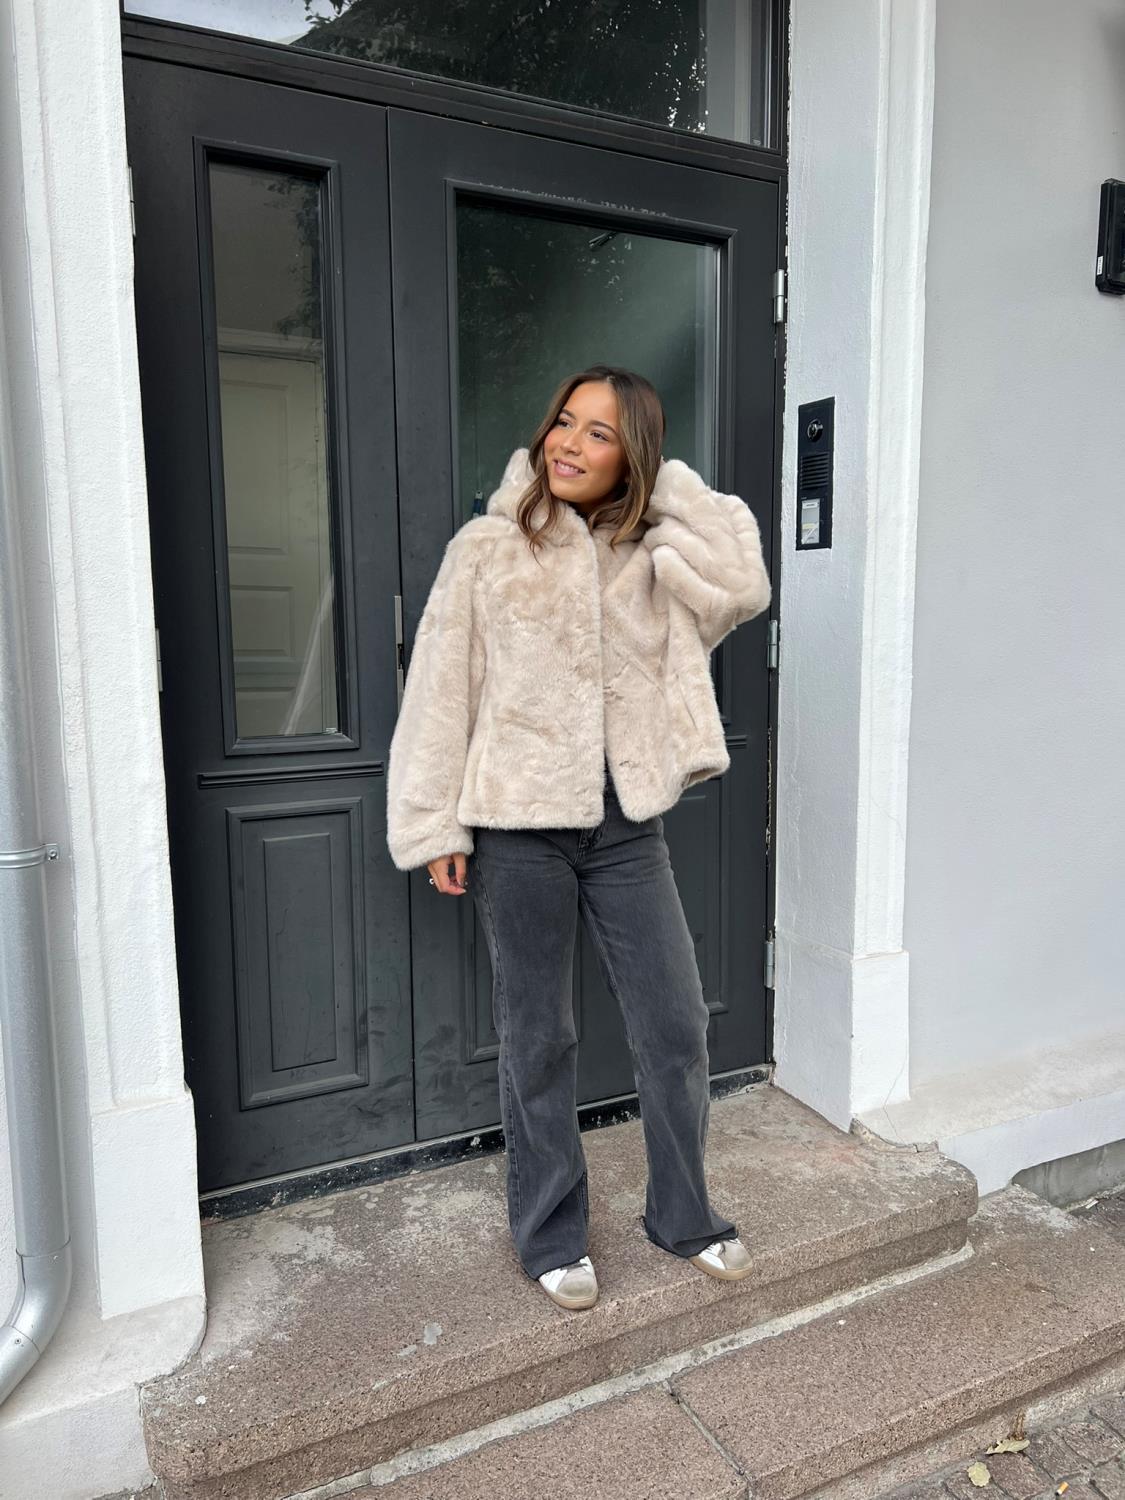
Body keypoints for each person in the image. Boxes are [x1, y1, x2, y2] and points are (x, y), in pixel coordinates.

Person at [386, 365, 772, 1311]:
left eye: (600, 433)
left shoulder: (653, 556)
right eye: (564, 421)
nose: (568, 443)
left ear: (632, 457)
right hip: (517, 828)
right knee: (539, 1036)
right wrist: (436, 823)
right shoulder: (487, 547)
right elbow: (439, 687)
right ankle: (550, 1232)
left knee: (675, 1024)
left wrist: (666, 488)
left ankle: (682, 1215)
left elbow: (740, 588)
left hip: (625, 825)